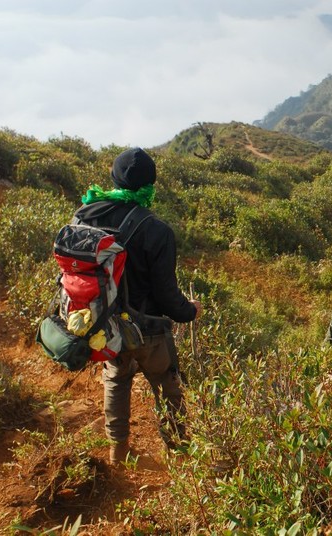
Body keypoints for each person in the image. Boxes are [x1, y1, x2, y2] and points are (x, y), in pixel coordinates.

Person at [73, 147, 202, 464]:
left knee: (116, 380)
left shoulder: (85, 215)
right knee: (168, 388)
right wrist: (190, 310)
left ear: (114, 179)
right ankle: (177, 453)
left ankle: (119, 450)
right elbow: (167, 294)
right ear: (152, 185)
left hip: (104, 325)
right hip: (148, 330)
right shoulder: (157, 230)